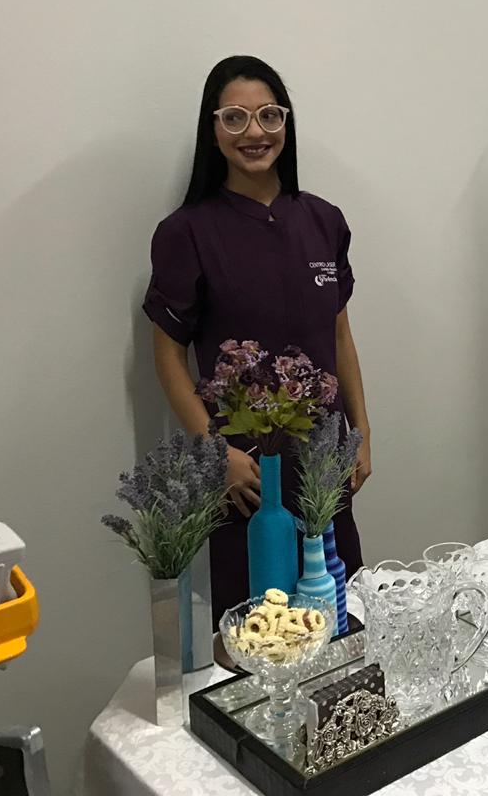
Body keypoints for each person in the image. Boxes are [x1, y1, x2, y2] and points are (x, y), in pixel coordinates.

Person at [142, 55, 372, 625]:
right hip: (245, 475)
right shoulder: (186, 233)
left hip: (324, 464)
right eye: (235, 118)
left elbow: (339, 333)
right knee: (259, 633)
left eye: (269, 115)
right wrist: (216, 451)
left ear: (286, 124)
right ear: (213, 130)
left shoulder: (323, 220)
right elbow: (167, 355)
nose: (255, 132)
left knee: (341, 618)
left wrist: (361, 432)